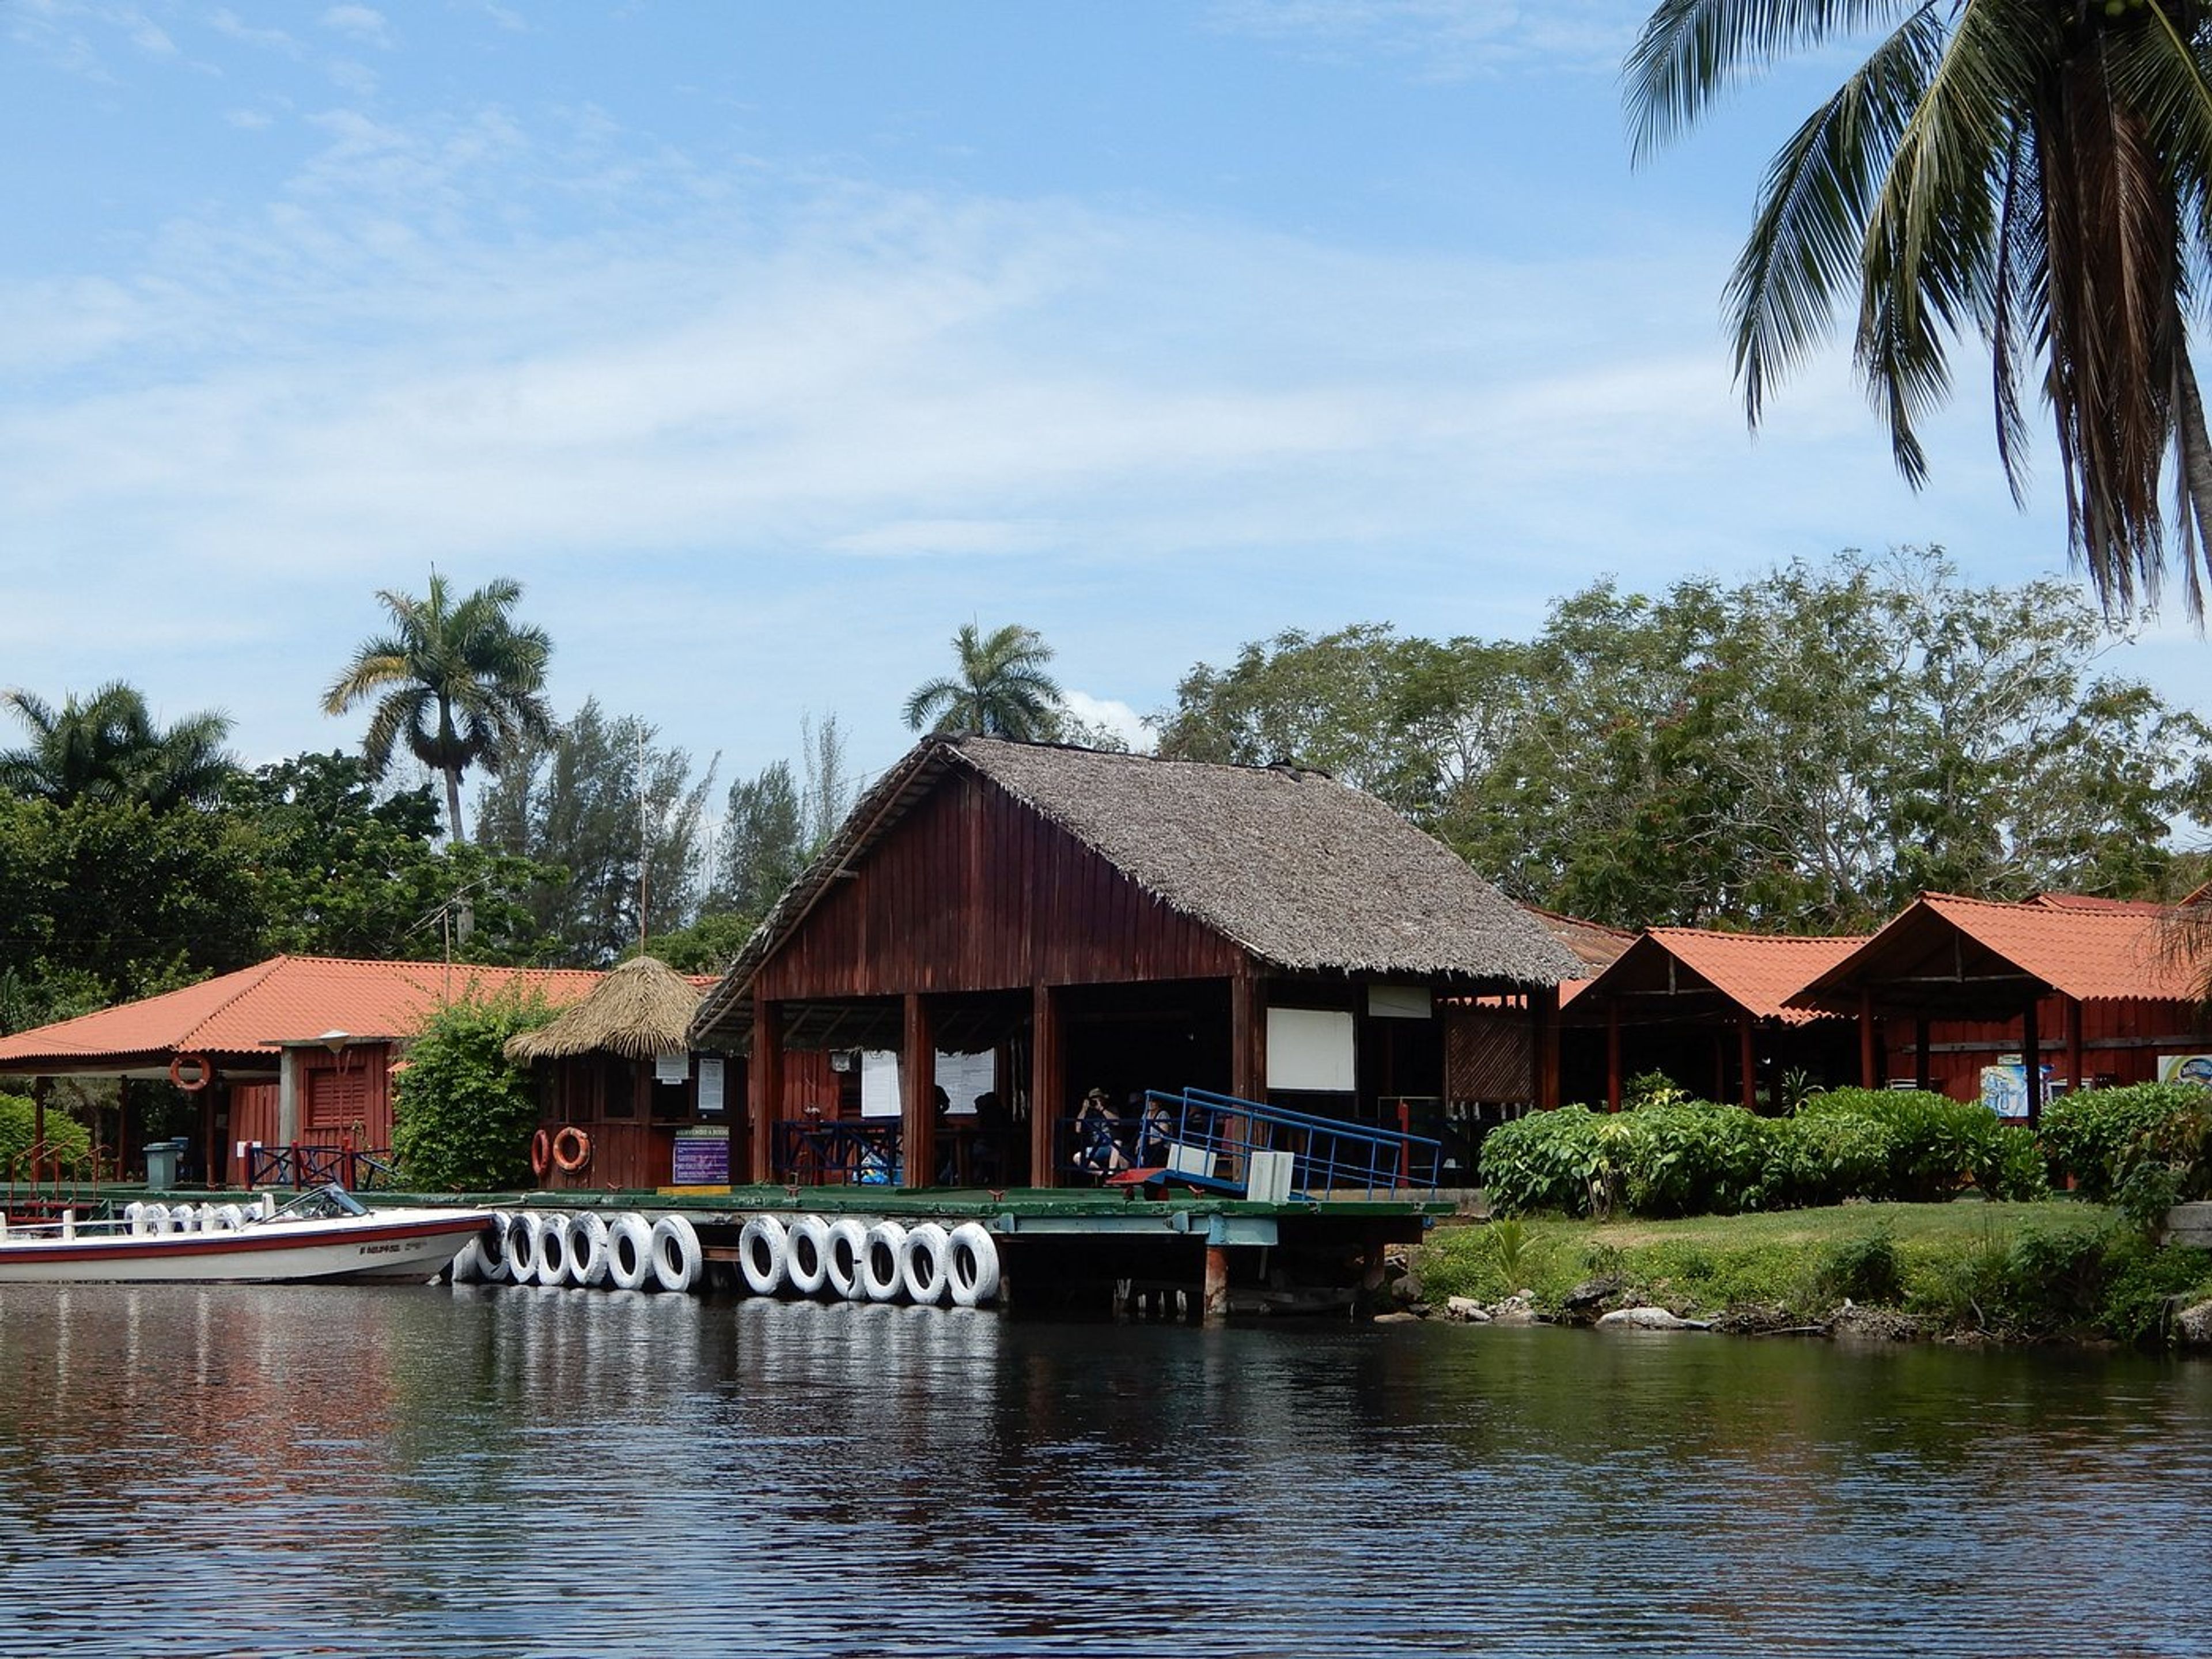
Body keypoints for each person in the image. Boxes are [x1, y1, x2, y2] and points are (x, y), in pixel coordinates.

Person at [1070, 1086, 1127, 1176]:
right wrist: (1084, 1109)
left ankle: (1111, 1173)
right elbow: (1078, 1129)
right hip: (1097, 1148)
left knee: (1117, 1144)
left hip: (1111, 1146)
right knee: (1077, 1158)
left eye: (1098, 1099)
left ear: (1103, 1099)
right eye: (1093, 1099)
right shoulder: (1089, 1113)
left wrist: (1102, 1109)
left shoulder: (1111, 1109)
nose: (1095, 1101)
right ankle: (1103, 1175)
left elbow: (1116, 1123)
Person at [1132, 1092, 1175, 1168]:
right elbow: (1141, 1132)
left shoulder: (1163, 1114)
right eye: (1149, 1101)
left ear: (1159, 1103)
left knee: (1148, 1152)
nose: (1150, 1103)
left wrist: (1150, 1143)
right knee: (1132, 1152)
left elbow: (1164, 1136)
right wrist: (1138, 1144)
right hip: (1147, 1145)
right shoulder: (1145, 1115)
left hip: (1161, 1145)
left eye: (1153, 1102)